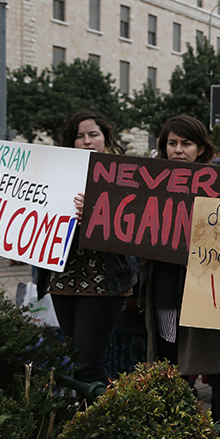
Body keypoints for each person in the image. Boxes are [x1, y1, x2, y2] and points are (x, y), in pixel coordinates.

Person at [140, 115, 220, 429]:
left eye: (186, 143)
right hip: (165, 289)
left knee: (218, 370)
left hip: (207, 296)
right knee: (172, 367)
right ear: (163, 148)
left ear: (200, 148)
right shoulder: (148, 183)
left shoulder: (219, 185)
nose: (178, 150)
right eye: (172, 143)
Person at [41, 112, 139, 385]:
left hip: (104, 280)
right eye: (79, 136)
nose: (86, 141)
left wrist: (100, 212)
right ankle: (85, 424)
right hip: (62, 278)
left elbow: (138, 224)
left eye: (93, 134)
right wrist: (1, 241)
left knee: (88, 365)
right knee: (75, 363)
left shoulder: (125, 174)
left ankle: (107, 425)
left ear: (106, 138)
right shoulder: (55, 173)